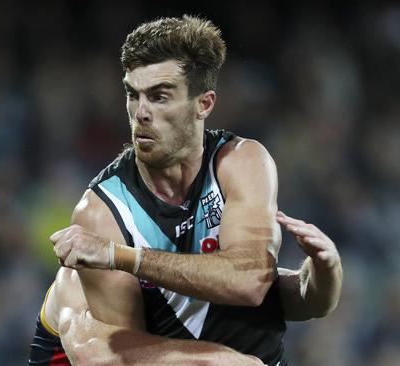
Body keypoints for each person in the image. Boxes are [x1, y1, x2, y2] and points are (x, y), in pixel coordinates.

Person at [31, 15, 342, 365]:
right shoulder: (104, 213)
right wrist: (215, 360)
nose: (141, 113)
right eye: (133, 95)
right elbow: (121, 357)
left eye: (160, 97)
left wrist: (322, 277)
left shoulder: (241, 162)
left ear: (204, 104)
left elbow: (254, 284)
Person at [29, 212, 342, 365]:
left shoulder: (210, 267)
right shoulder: (88, 273)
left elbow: (305, 300)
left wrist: (326, 269)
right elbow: (90, 353)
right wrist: (219, 360)